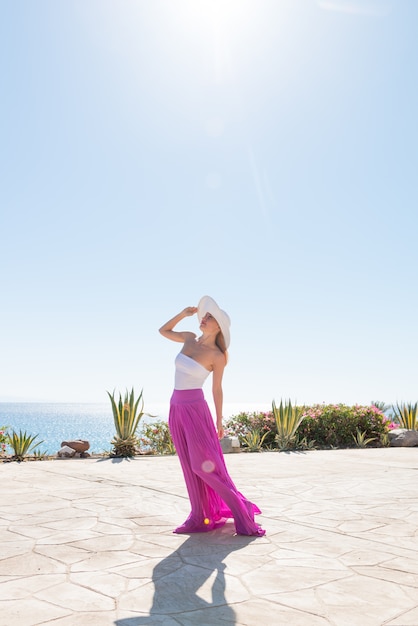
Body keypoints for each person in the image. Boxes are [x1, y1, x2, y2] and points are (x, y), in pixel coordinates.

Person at [159, 295, 265, 537]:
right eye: (203, 316)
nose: (203, 319)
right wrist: (182, 314)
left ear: (218, 326)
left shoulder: (218, 356)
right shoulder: (187, 338)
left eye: (208, 317)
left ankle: (241, 508)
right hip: (176, 407)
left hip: (196, 410)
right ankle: (199, 515)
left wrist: (219, 420)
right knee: (188, 464)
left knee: (202, 467)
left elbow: (216, 389)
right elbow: (163, 330)